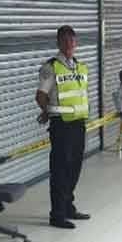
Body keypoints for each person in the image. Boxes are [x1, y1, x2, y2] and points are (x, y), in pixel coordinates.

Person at [36, 25, 91, 230]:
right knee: (60, 170)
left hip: (78, 123)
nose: (69, 44)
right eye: (65, 40)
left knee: (74, 168)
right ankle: (57, 214)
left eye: (72, 40)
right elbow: (41, 95)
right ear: (58, 43)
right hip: (61, 126)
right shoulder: (51, 67)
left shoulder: (80, 67)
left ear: (76, 43)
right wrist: (46, 111)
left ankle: (68, 206)